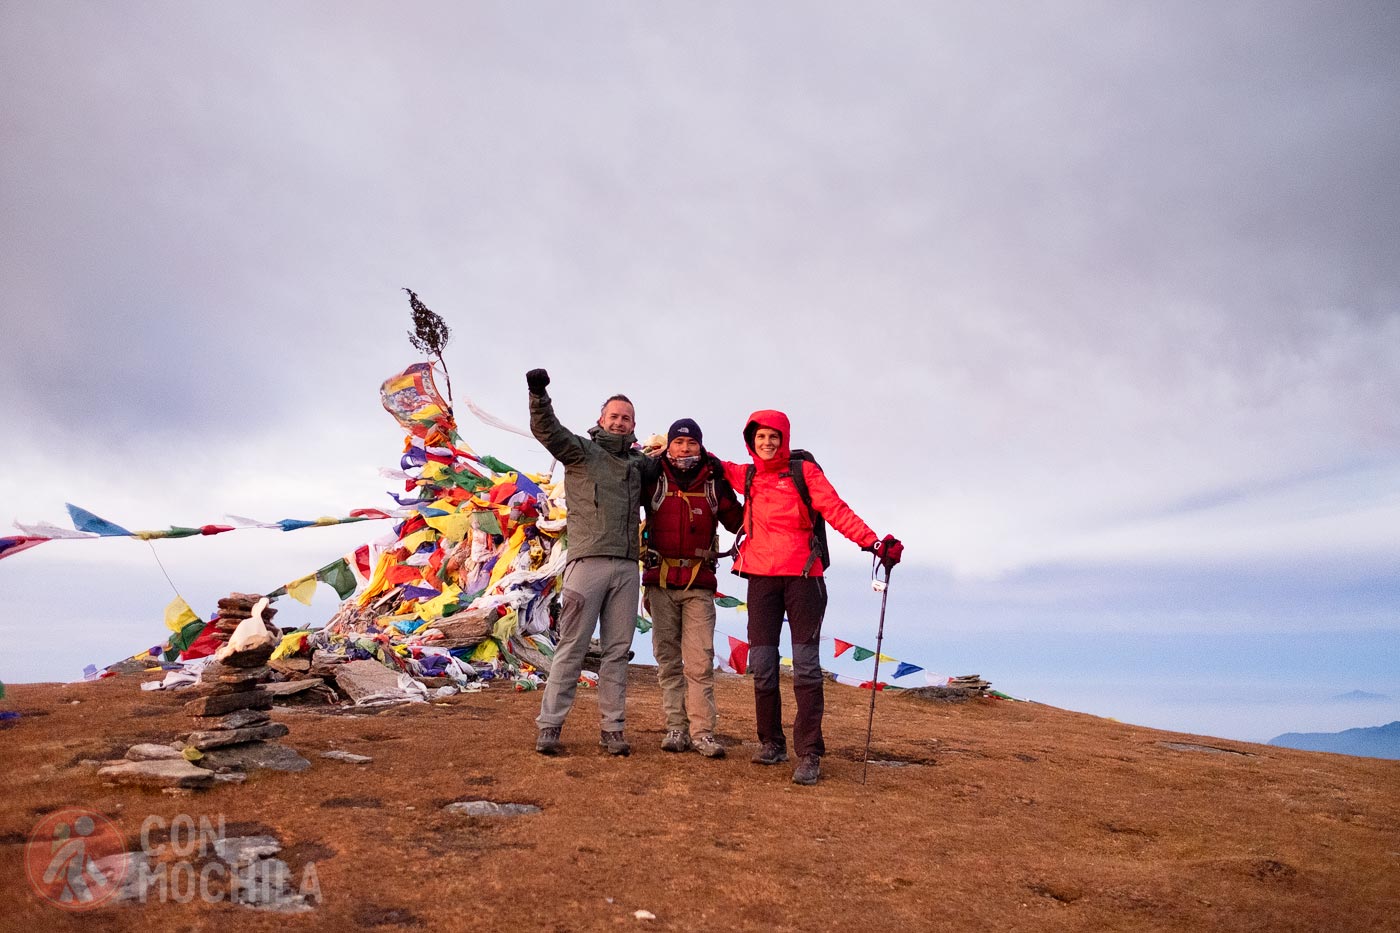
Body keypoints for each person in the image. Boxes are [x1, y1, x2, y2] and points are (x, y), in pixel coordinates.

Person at [718, 410, 902, 785]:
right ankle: (772, 743)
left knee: (805, 667)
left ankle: (810, 753)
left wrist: (873, 543)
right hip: (761, 579)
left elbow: (836, 510)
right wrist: (662, 447)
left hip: (804, 578)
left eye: (773, 437)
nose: (767, 443)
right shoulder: (747, 475)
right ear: (751, 441)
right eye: (760, 437)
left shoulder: (805, 473)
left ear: (784, 439)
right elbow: (707, 462)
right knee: (762, 664)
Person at [527, 368, 646, 757]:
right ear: (601, 420)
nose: (619, 422)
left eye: (626, 418)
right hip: (586, 563)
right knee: (572, 647)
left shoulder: (639, 465)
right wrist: (538, 394)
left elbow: (682, 464)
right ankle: (549, 726)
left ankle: (613, 729)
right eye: (614, 416)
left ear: (633, 426)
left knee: (617, 652)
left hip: (627, 568)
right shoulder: (580, 451)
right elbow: (547, 431)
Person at [641, 418, 744, 758]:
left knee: (699, 662)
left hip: (699, 584)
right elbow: (620, 498)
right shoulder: (652, 476)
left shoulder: (714, 482)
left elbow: (740, 522)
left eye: (691, 443)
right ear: (669, 445)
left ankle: (702, 734)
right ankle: (676, 728)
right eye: (679, 442)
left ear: (701, 446)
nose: (685, 449)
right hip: (660, 581)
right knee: (668, 660)